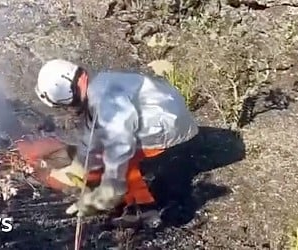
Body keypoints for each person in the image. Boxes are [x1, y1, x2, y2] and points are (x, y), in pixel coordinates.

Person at [34, 59, 199, 219]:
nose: (67, 109)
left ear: (67, 96)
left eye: (63, 106)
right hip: (168, 107)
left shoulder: (105, 104)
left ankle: (142, 206)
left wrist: (97, 201)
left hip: (171, 128)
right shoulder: (100, 83)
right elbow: (94, 131)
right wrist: (79, 166)